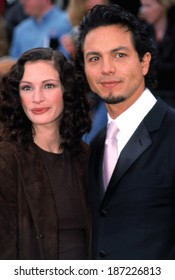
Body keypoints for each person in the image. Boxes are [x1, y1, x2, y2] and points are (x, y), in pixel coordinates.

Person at [75, 4, 175, 259]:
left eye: (119, 55)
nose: (106, 68)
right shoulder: (96, 144)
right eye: (94, 58)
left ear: (144, 62)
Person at [0, 47, 91, 260]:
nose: (37, 98)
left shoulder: (87, 156)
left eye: (48, 86)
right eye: (27, 88)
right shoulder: (5, 158)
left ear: (67, 91)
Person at [139, 0, 175, 108]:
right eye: (142, 6)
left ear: (163, 6)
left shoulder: (173, 31)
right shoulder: (142, 33)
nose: (143, 11)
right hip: (148, 95)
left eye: (148, 6)